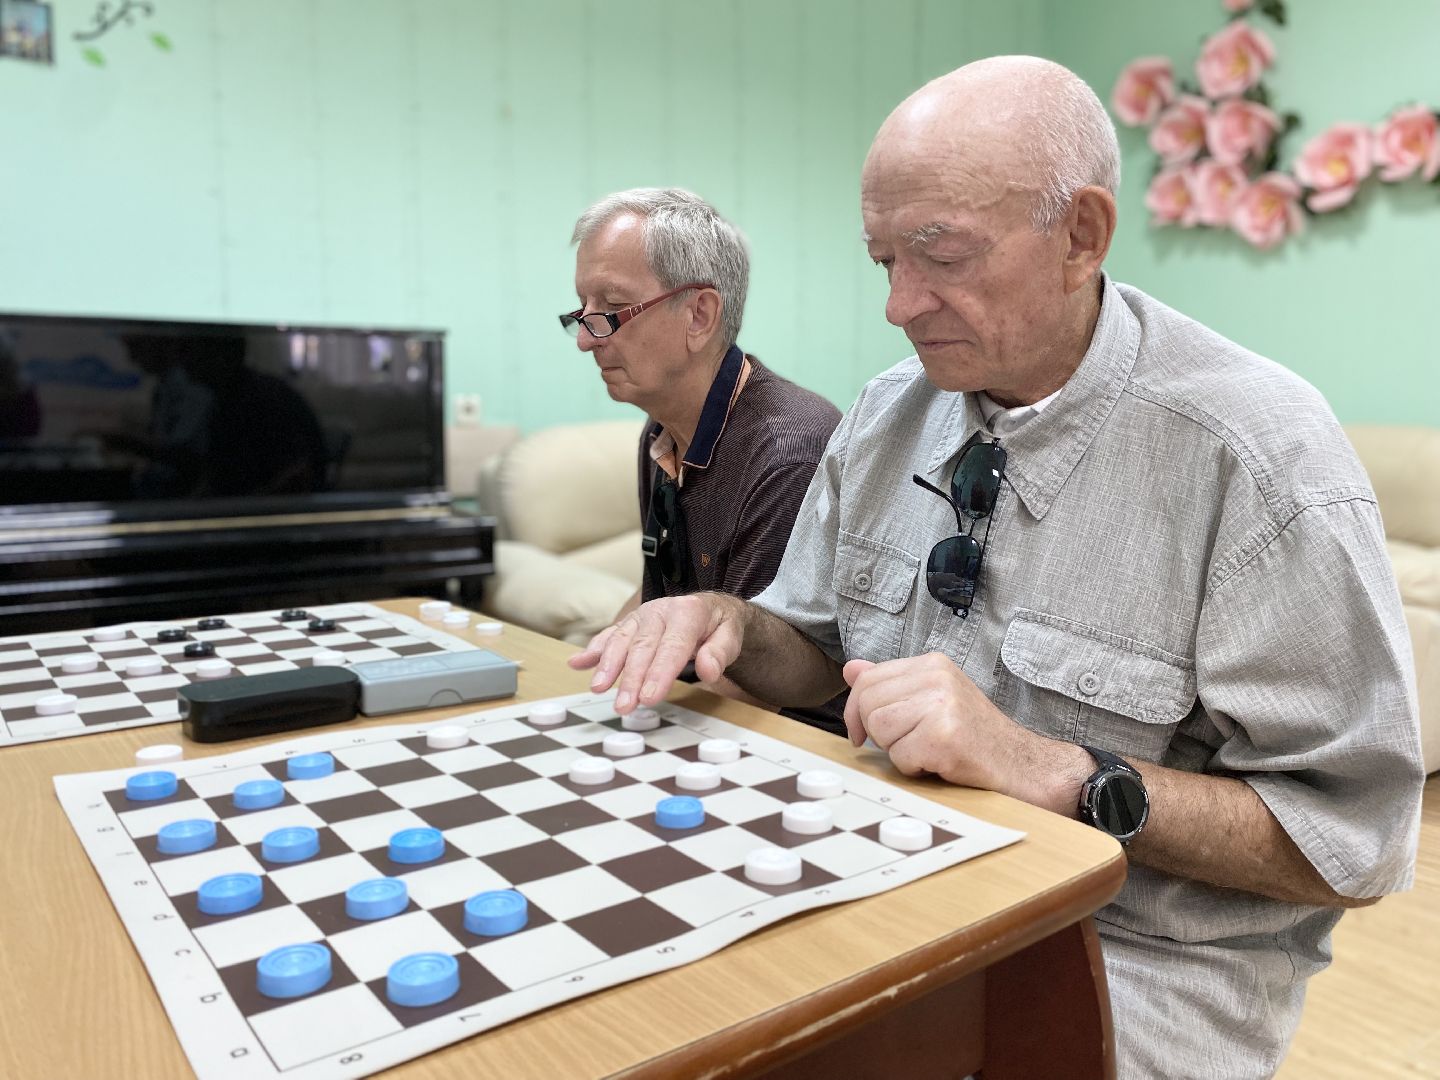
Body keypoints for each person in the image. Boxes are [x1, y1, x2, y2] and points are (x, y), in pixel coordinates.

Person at [569, 58, 1425, 1077]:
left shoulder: (1255, 457)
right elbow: (816, 654)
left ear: (1082, 235)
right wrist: (734, 626)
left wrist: (1052, 769)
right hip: (886, 890)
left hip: (1130, 961)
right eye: (883, 258)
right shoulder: (891, 412)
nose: (898, 302)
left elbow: (1351, 841)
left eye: (940, 255)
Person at [565, 188, 843, 725]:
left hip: (790, 740)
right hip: (699, 711)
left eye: (612, 308)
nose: (585, 338)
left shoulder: (788, 451)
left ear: (699, 315)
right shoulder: (661, 432)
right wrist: (583, 686)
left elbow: (760, 683)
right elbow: (656, 596)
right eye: (582, 309)